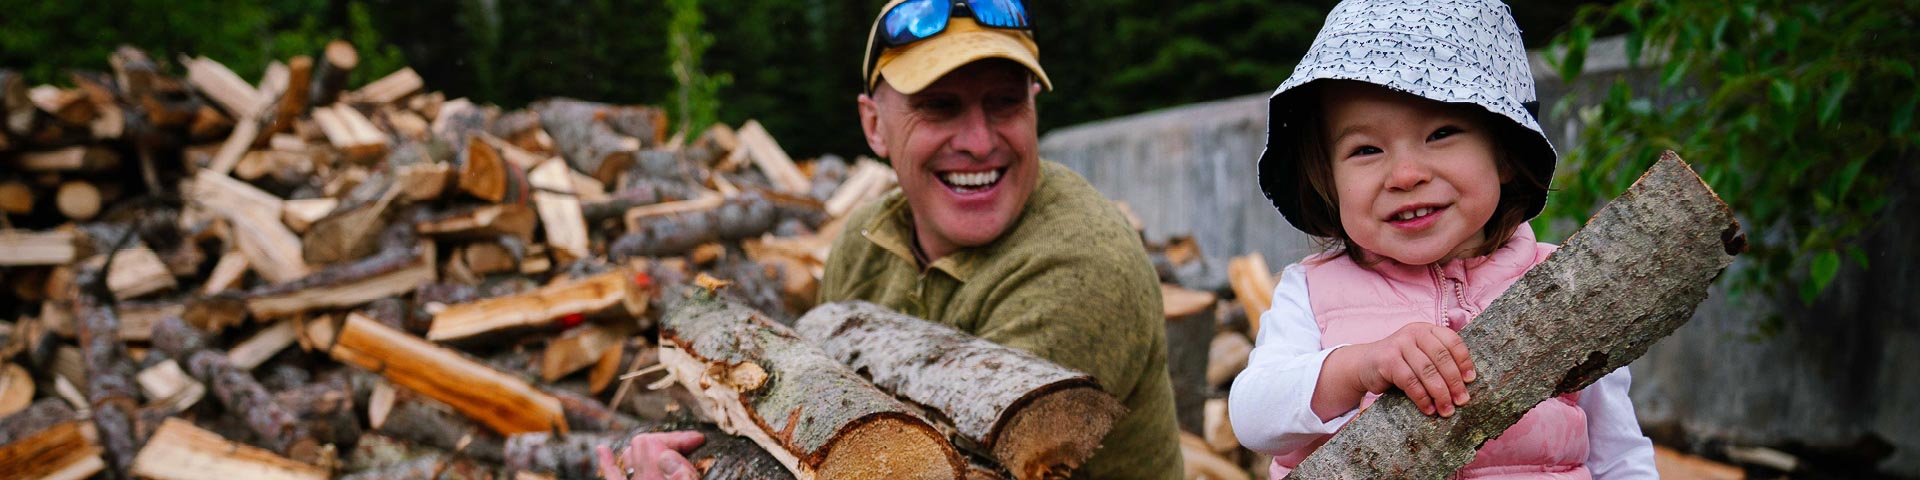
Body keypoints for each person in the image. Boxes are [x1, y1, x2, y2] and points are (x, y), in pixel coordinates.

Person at [599, 0, 1183, 478]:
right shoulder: (865, 238)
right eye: (940, 107)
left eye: (1004, 102)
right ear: (874, 126)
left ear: (1033, 108)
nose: (979, 141)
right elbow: (813, 424)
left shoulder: (1078, 268)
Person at [1228, 0, 1660, 478]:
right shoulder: (1310, 292)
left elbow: (1619, 455)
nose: (1406, 175)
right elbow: (1252, 415)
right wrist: (1358, 367)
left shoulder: (1566, 287)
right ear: (1327, 180)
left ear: (1505, 152)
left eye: (1441, 133)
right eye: (1366, 149)